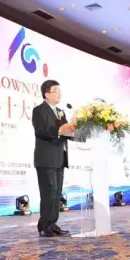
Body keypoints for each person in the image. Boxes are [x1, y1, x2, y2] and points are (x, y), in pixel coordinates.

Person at [32, 79, 75, 237]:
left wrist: (74, 130)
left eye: (59, 91)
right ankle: (44, 226)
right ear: (46, 94)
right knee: (48, 193)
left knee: (57, 193)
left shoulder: (60, 111)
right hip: (46, 158)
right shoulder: (39, 110)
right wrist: (59, 130)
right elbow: (41, 130)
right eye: (55, 91)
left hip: (59, 158)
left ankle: (52, 224)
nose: (59, 94)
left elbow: (65, 132)